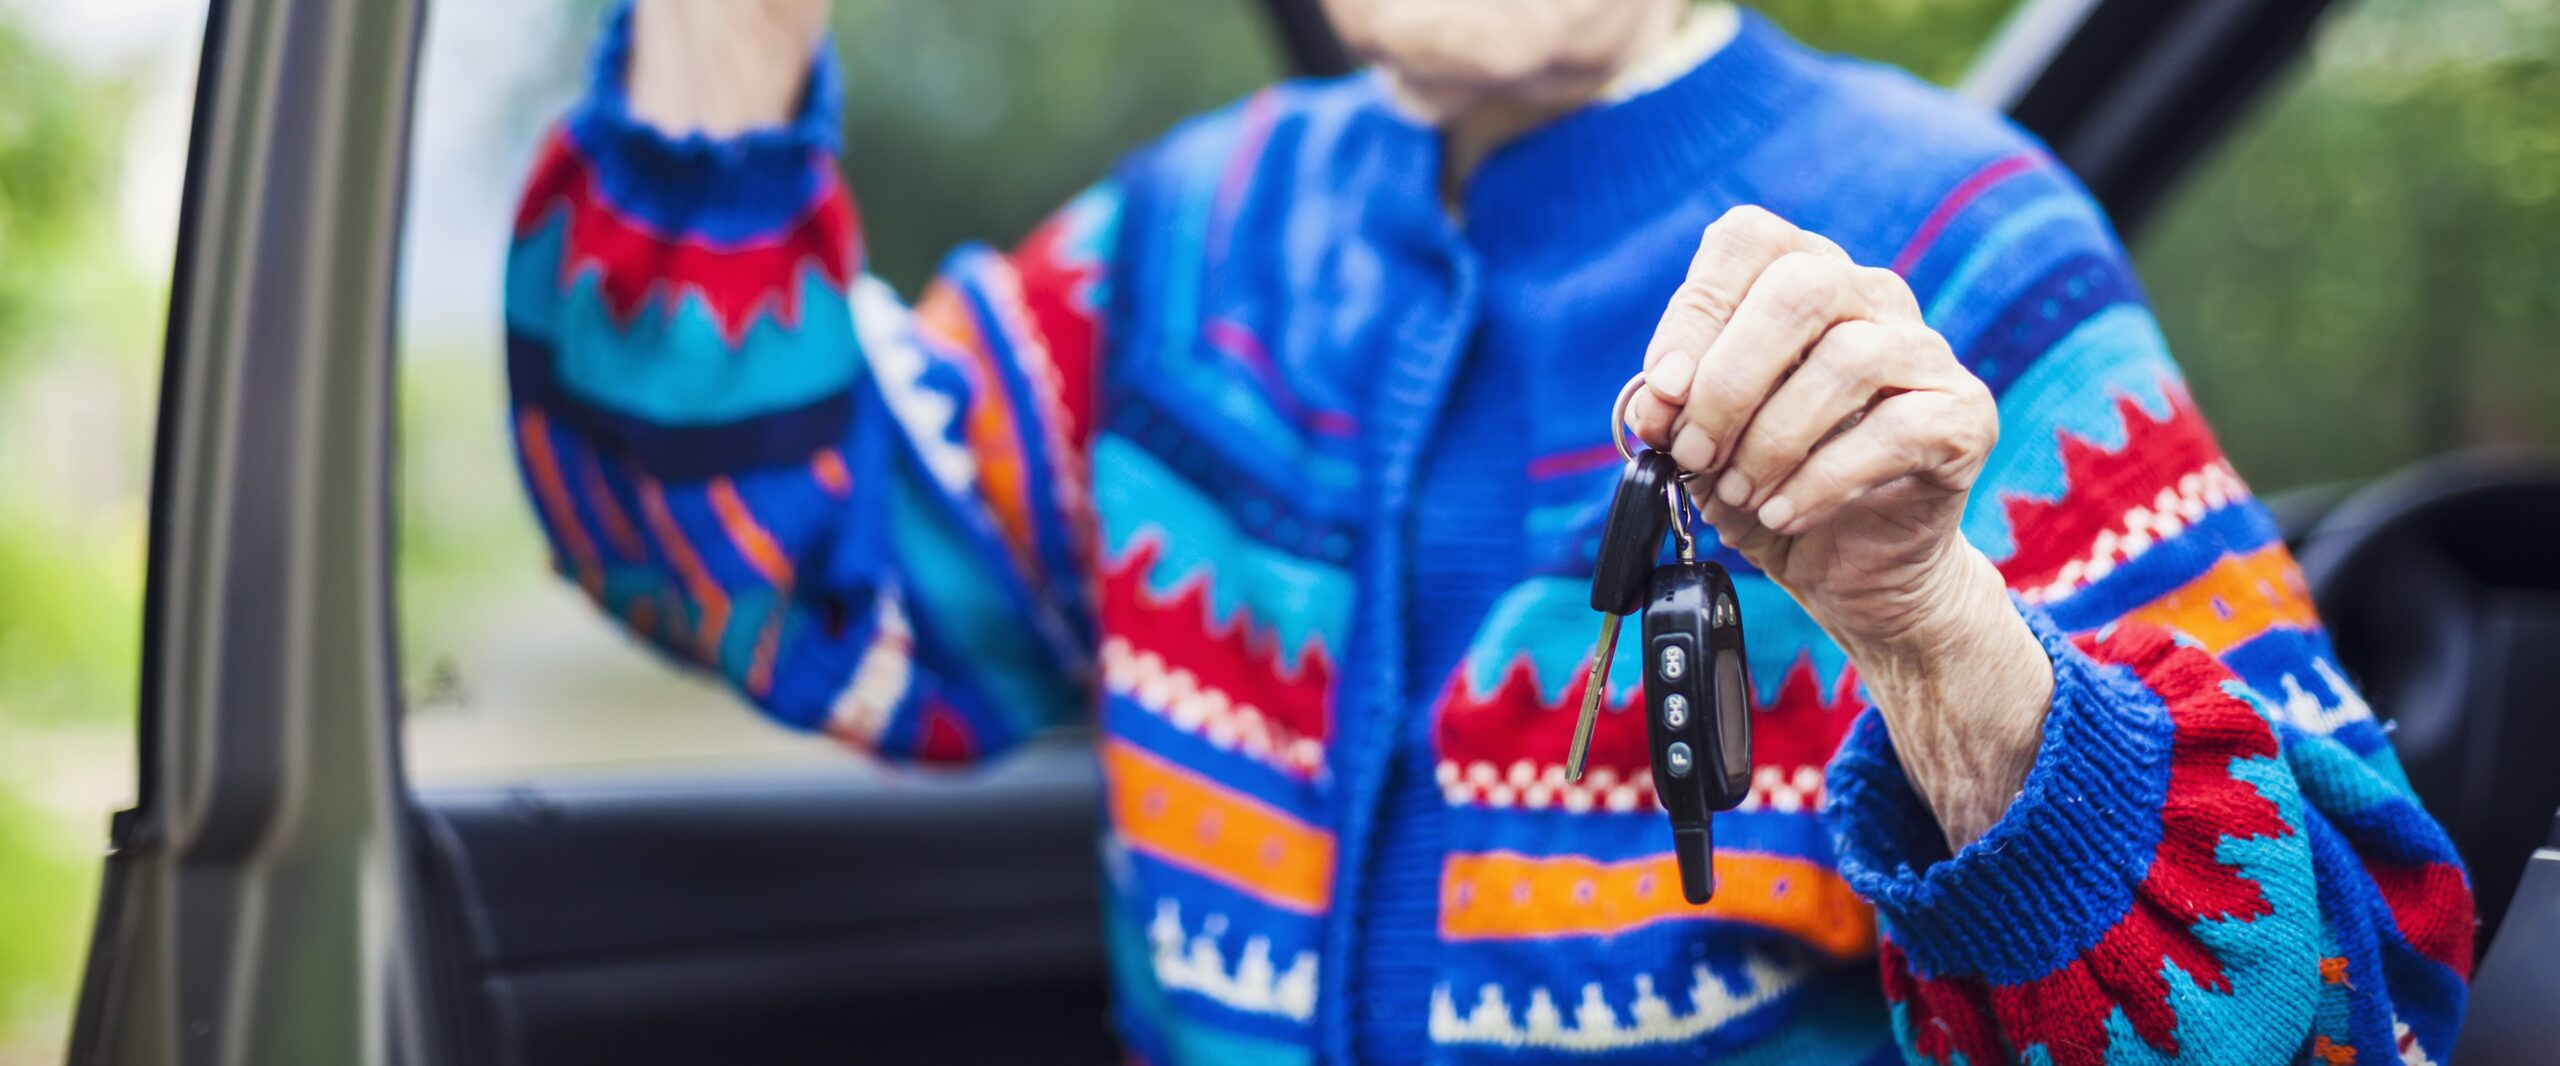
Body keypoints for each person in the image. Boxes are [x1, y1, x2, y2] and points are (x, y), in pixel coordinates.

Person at [501, 0, 2474, 1061]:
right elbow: (741, 541)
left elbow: (2325, 1015)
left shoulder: (1950, 239)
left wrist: (1933, 630)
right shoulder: (1184, 248)